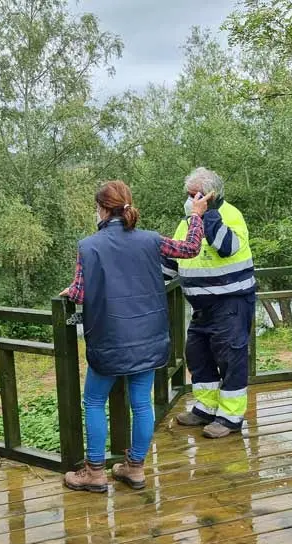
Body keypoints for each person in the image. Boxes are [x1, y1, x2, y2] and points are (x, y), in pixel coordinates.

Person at [60, 180, 210, 493]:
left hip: (109, 340)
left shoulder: (88, 246)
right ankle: (135, 468)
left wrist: (70, 291)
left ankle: (94, 472)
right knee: (141, 403)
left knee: (94, 401)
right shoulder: (151, 240)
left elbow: (79, 292)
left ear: (101, 209)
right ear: (127, 206)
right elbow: (190, 248)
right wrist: (196, 215)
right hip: (149, 338)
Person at [163, 167, 256, 439]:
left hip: (231, 303)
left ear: (211, 195)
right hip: (201, 306)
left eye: (195, 195)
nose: (190, 200)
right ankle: (205, 408)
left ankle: (229, 417)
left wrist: (207, 215)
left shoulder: (230, 216)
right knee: (198, 357)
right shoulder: (186, 221)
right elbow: (172, 260)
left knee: (231, 360)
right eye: (188, 195)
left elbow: (225, 246)